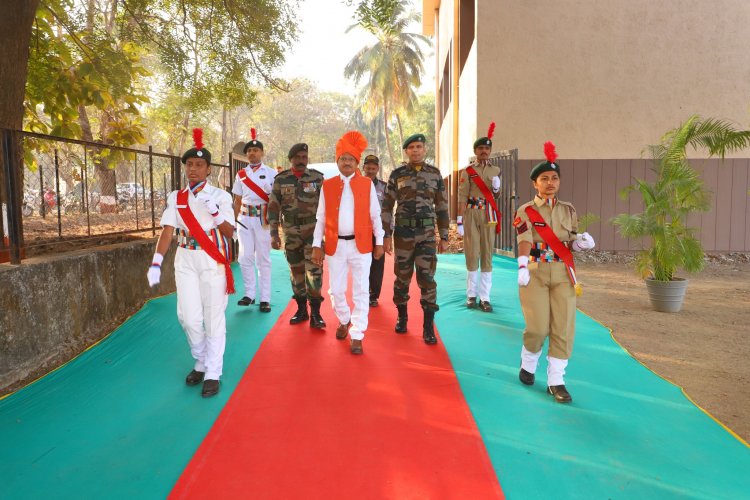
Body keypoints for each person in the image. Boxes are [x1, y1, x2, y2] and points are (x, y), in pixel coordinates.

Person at [146, 128, 235, 398]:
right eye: (189, 165)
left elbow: (230, 233)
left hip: (211, 259)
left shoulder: (221, 196)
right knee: (188, 318)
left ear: (209, 169)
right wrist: (156, 262)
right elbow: (167, 232)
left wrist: (215, 211)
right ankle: (203, 358)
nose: (193, 169)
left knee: (213, 316)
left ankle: (210, 370)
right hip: (184, 258)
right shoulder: (176, 197)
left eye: (199, 165)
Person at [515, 142, 595, 403]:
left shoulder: (568, 210)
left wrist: (580, 243)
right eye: (544, 179)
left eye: (554, 178)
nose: (550, 182)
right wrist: (523, 265)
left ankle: (556, 380)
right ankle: (528, 363)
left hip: (563, 274)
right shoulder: (525, 210)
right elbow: (524, 238)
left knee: (563, 327)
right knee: (537, 328)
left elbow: (568, 242)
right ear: (535, 184)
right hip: (535, 272)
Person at [311, 132, 385, 354]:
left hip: (360, 245)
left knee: (362, 290)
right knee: (336, 290)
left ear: (356, 163)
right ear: (337, 161)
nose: (346, 162)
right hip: (335, 245)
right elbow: (321, 217)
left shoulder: (366, 184)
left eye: (350, 159)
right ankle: (344, 319)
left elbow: (375, 215)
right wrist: (317, 244)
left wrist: (379, 241)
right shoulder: (328, 185)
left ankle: (357, 333)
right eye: (343, 158)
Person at [382, 133, 450, 345]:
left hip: (427, 236)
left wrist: (444, 235)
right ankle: (402, 317)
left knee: (427, 279)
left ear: (425, 149)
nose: (416, 150)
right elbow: (386, 206)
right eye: (411, 147)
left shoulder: (435, 175)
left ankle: (428, 327)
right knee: (402, 278)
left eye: (419, 146)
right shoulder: (397, 174)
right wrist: (385, 235)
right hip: (403, 235)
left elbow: (442, 207)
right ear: (406, 151)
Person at [267, 143, 326, 329]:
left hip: (313, 232)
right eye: (298, 157)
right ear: (290, 159)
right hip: (291, 232)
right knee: (296, 272)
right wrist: (274, 234)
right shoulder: (281, 179)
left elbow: (327, 206)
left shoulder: (317, 178)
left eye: (304, 157)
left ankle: (316, 313)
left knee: (314, 273)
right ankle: (302, 310)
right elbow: (273, 208)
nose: (301, 160)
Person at [457, 122, 502, 312]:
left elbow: (496, 196)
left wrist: (497, 189)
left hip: (489, 213)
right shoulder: (467, 171)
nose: (484, 151)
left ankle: (485, 297)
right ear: (475, 151)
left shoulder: (496, 171)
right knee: (472, 252)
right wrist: (459, 219)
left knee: (487, 253)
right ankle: (471, 295)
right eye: (481, 148)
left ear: (490, 151)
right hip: (471, 212)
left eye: (487, 148)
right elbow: (462, 196)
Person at [232, 127, 276, 312]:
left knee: (263, 259)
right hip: (244, 218)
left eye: (255, 150)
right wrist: (233, 223)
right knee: (244, 257)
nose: (252, 153)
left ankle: (264, 298)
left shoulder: (272, 172)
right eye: (249, 151)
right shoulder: (241, 174)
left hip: (262, 218)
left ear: (262, 153)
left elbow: (275, 200)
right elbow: (237, 199)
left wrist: (274, 222)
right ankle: (249, 294)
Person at [362, 154, 388, 307]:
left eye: (373, 168)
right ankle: (363, 292)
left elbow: (388, 212)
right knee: (362, 263)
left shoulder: (384, 187)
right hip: (360, 232)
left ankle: (373, 295)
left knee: (377, 263)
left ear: (377, 169)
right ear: (363, 168)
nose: (370, 171)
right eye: (368, 168)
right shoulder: (356, 185)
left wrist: (387, 234)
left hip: (378, 231)